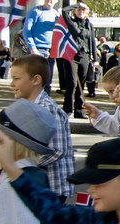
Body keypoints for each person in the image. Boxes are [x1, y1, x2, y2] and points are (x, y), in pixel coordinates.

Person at [9, 55, 75, 201]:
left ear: (35, 80)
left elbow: (58, 150)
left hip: (51, 188)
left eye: (16, 78)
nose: (11, 84)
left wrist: (22, 163)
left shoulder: (48, 109)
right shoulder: (26, 107)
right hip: (35, 185)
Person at [60, 3, 97, 116]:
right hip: (71, 55)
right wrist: (76, 5)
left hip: (84, 55)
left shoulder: (89, 25)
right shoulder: (71, 22)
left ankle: (79, 110)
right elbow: (64, 11)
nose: (81, 11)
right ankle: (67, 109)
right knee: (71, 83)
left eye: (83, 10)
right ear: (75, 11)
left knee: (81, 83)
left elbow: (92, 41)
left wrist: (94, 58)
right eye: (79, 10)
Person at [21, 0, 60, 90]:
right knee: (35, 79)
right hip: (38, 50)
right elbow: (26, 30)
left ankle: (44, 104)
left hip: (51, 51)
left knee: (47, 80)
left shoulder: (56, 15)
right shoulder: (35, 11)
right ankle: (32, 104)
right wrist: (32, 48)